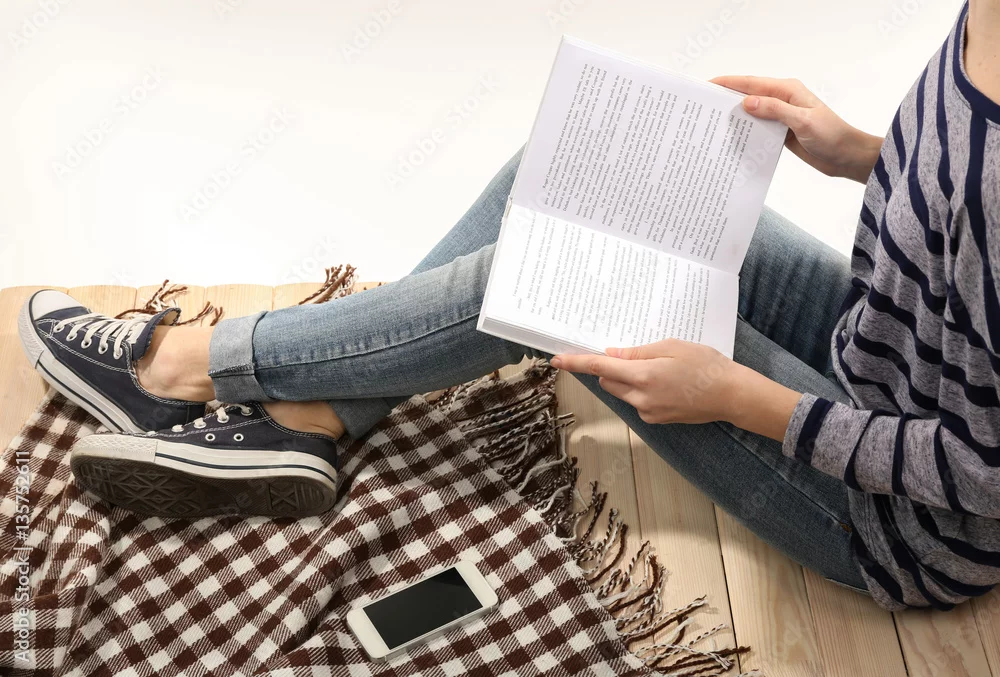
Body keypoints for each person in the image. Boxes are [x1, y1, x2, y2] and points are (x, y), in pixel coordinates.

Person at [16, 0, 999, 611]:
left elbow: (983, 471)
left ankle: (180, 368)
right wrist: (860, 152)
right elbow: (955, 212)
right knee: (558, 176)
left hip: (899, 520)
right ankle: (314, 412)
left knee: (546, 280)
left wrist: (740, 398)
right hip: (874, 336)